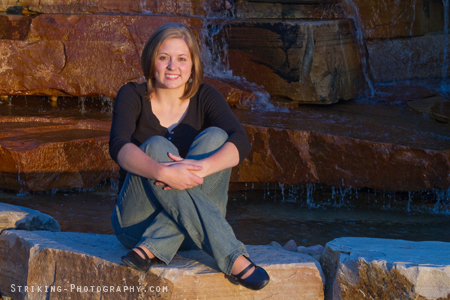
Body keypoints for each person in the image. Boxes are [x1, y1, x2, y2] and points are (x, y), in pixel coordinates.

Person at [109, 22, 270, 290]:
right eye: (164, 58)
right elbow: (118, 146)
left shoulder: (206, 96)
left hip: (192, 230)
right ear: (151, 61)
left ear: (193, 65)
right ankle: (233, 255)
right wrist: (162, 172)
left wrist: (201, 168)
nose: (173, 66)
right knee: (156, 146)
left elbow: (240, 140)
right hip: (135, 225)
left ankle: (154, 247)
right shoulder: (131, 95)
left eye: (182, 59)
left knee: (218, 138)